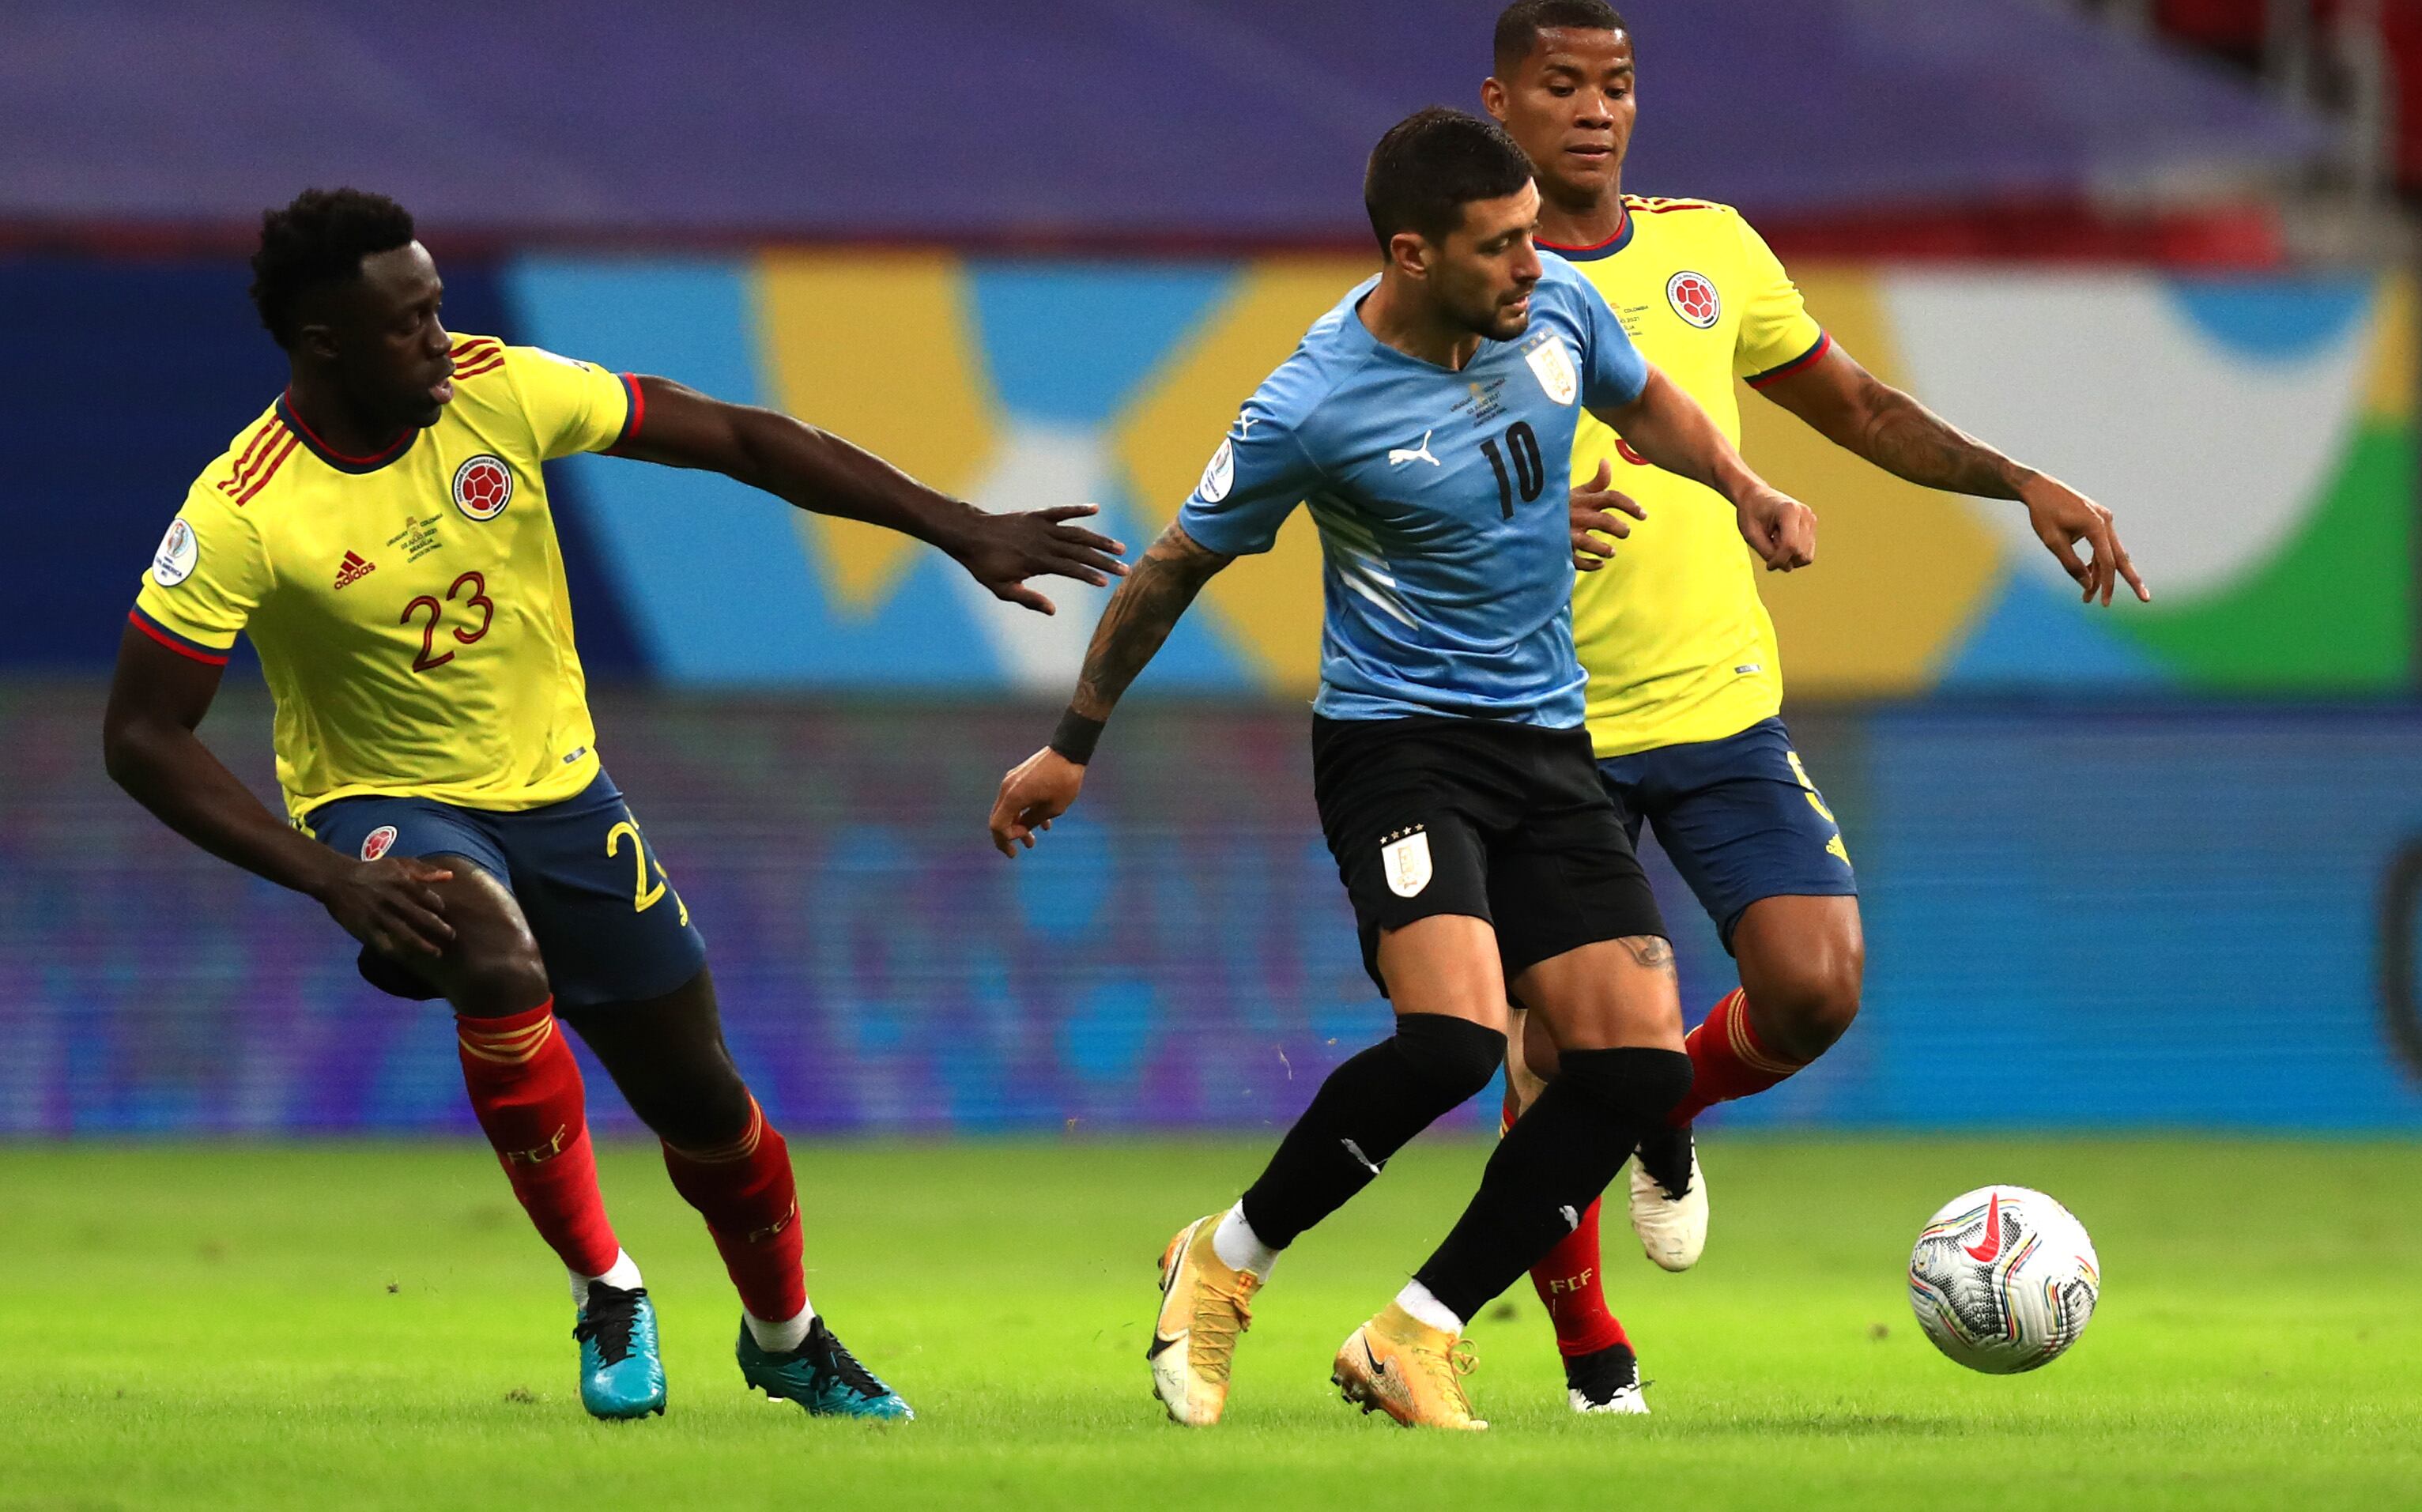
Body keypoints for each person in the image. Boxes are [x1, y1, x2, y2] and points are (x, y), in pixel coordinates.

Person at [102, 188, 1126, 1423]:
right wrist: (327, 872)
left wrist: (957, 524)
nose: (441, 338)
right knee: (486, 946)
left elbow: (739, 437)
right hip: (388, 804)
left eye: (439, 307)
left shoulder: (499, 389)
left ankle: (786, 1337)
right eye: (408, 323)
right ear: (323, 342)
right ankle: (609, 1285)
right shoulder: (243, 510)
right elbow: (142, 735)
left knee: (703, 1101)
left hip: (565, 793)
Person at [987, 108, 1817, 1430]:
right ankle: (1226, 1259)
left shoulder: (1554, 315)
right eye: (1500, 248)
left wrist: (1742, 484)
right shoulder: (1312, 402)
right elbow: (1169, 570)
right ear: (1413, 253)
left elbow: (1646, 396)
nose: (1535, 268)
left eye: (1535, 237)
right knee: (1447, 1040)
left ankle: (1415, 1329)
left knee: (1640, 1066)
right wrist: (1072, 743)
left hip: (1547, 740)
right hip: (1398, 747)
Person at [1479, 0, 2152, 1412]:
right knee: (1562, 1044)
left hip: (1719, 708)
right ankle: (1599, 1365)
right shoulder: (1462, 285)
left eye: (1618, 82)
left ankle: (1663, 1113)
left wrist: (2022, 478)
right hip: (1540, 725)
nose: (1596, 108)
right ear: (1501, 107)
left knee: (1814, 985)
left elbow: (1857, 407)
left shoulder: (1711, 249)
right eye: (1562, 86)